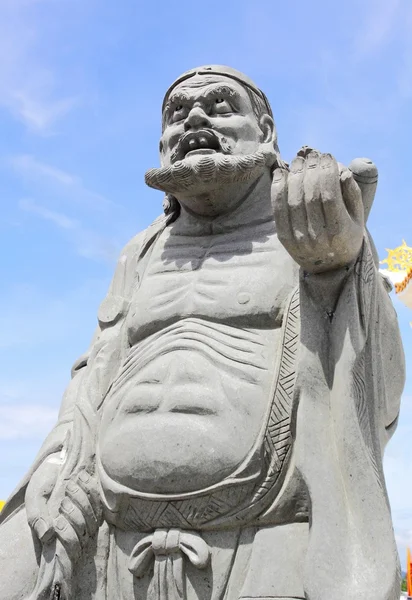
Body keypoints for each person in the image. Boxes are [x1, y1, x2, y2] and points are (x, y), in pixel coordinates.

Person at [0, 65, 405, 600]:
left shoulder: (301, 232)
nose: (192, 118)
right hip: (111, 517)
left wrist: (339, 269)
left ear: (265, 131)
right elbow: (94, 372)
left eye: (219, 105)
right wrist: (59, 462)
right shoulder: (139, 252)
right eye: (175, 114)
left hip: (263, 522)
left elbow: (379, 390)